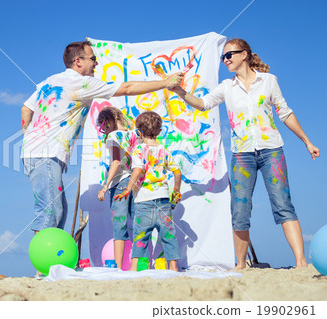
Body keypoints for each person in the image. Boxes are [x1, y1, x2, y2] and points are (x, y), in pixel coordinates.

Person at [170, 38, 320, 270]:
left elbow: (285, 113)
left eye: (230, 55)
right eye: (224, 57)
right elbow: (202, 104)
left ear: (245, 55)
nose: (226, 59)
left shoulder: (269, 81)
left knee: (283, 204)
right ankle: (241, 265)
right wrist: (180, 91)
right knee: (239, 209)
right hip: (242, 155)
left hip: (272, 151)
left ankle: (301, 263)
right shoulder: (225, 87)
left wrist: (307, 142)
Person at [21, 40, 182, 235]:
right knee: (51, 211)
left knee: (59, 211)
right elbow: (128, 88)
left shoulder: (50, 81)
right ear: (78, 61)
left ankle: (50, 261)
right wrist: (166, 83)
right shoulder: (81, 82)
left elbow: (26, 109)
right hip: (45, 152)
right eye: (93, 59)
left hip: (38, 151)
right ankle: (42, 266)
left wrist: (29, 137)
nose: (96, 63)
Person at [114, 111, 182, 271]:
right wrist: (176, 191)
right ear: (159, 131)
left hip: (144, 201)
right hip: (164, 200)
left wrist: (127, 189)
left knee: (141, 236)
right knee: (168, 236)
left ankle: (134, 267)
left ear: (139, 131)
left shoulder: (139, 150)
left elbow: (138, 170)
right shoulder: (164, 150)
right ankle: (173, 267)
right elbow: (177, 171)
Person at [96, 107, 138, 269]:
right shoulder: (135, 134)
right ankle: (136, 266)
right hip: (135, 183)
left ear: (108, 122)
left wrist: (105, 185)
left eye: (102, 125)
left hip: (120, 183)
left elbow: (116, 162)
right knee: (138, 225)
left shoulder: (113, 136)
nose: (103, 130)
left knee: (119, 228)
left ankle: (119, 267)